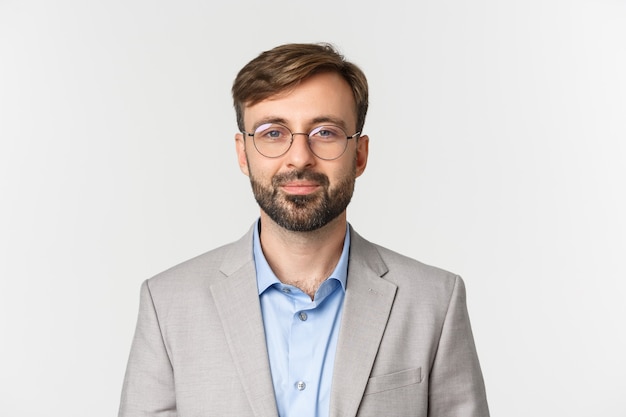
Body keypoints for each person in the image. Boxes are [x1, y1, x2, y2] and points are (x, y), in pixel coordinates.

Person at [118, 42, 490, 417]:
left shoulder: (434, 302)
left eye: (325, 132)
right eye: (273, 133)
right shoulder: (167, 304)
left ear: (359, 154)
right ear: (242, 154)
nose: (299, 157)